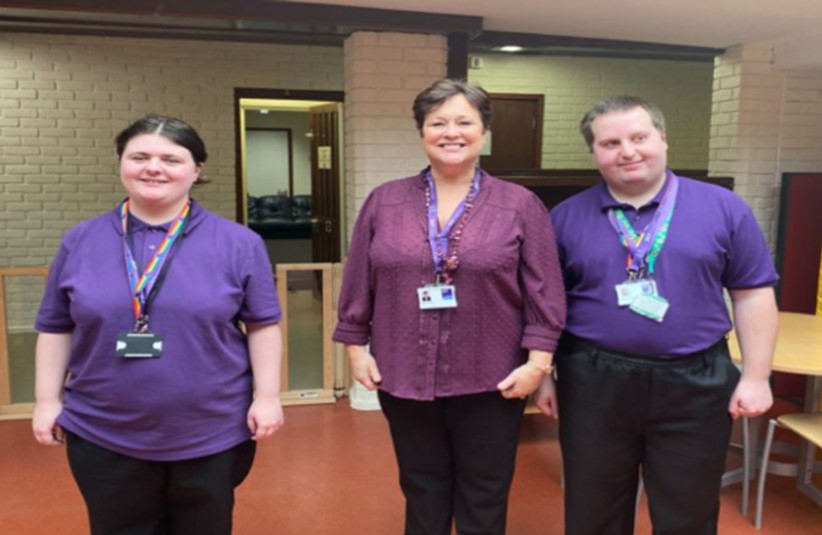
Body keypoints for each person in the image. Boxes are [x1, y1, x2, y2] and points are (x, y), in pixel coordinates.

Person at [333, 78, 566, 535]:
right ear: (422, 131)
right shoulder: (385, 200)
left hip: (493, 376)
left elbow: (545, 288)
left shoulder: (519, 204)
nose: (451, 132)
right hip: (403, 372)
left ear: (485, 132)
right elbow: (360, 276)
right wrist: (355, 347)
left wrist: (539, 365)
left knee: (485, 491)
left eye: (464, 121)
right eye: (437, 122)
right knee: (422, 487)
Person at [32, 115, 284, 535]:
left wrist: (268, 396)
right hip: (103, 428)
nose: (154, 167)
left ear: (196, 170)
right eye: (140, 156)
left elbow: (262, 326)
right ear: (120, 162)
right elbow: (56, 326)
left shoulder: (239, 243)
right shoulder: (81, 240)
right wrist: (45, 401)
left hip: (211, 429)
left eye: (171, 158)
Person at [540, 96, 779, 535]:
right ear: (594, 152)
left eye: (639, 137)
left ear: (663, 139)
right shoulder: (564, 217)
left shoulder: (723, 207)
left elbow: (752, 294)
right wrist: (543, 374)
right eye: (610, 142)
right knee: (593, 506)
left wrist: (757, 376)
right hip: (593, 380)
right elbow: (544, 306)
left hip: (695, 381)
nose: (627, 151)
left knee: (687, 509)